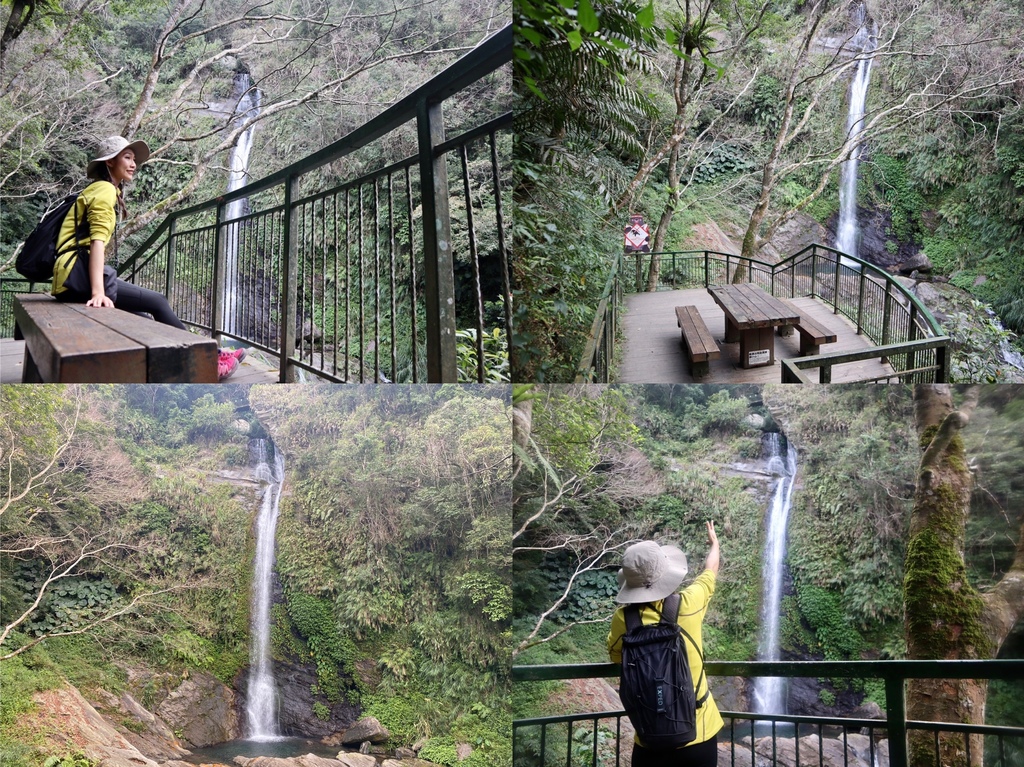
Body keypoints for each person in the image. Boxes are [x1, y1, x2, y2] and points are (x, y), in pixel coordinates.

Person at [51, 135, 245, 381]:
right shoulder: (104, 191)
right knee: (157, 302)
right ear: (110, 162)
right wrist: (98, 292)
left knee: (143, 317)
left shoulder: (102, 189)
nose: (133, 164)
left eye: (134, 159)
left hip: (70, 277)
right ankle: (209, 362)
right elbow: (97, 242)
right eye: (127, 157)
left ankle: (209, 354)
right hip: (76, 278)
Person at [607, 521, 723, 767]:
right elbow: (710, 570)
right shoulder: (689, 604)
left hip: (650, 737)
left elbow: (617, 656)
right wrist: (715, 544)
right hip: (699, 733)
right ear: (666, 575)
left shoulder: (623, 619)